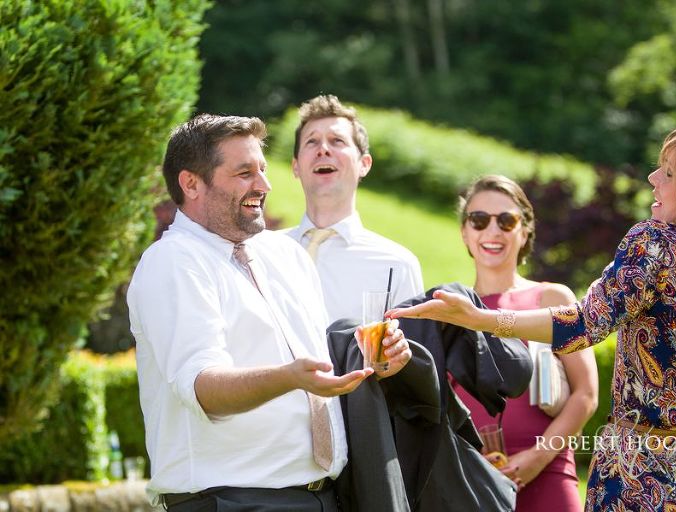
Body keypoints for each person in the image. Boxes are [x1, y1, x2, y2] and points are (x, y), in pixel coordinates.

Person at [388, 122, 676, 510]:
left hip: (640, 476)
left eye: (669, 172)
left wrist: (483, 320)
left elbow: (585, 323)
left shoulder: (657, 244)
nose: (653, 178)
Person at [127, 114, 412, 511]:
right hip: (229, 500)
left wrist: (380, 361)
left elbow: (321, 370)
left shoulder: (285, 254)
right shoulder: (173, 262)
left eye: (262, 169)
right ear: (191, 183)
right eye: (244, 173)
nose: (264, 185)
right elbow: (204, 389)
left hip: (324, 496)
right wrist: (289, 378)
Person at [450, 175, 598, 510]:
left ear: (525, 230)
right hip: (471, 480)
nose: (493, 231)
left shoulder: (552, 297)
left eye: (506, 220)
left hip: (548, 474)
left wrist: (538, 456)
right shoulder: (450, 309)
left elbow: (586, 395)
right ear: (465, 232)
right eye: (478, 220)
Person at [284, 94, 423, 323]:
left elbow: (413, 354)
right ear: (296, 166)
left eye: (337, 140)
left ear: (364, 164)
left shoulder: (397, 265)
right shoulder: (261, 254)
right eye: (312, 141)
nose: (323, 149)